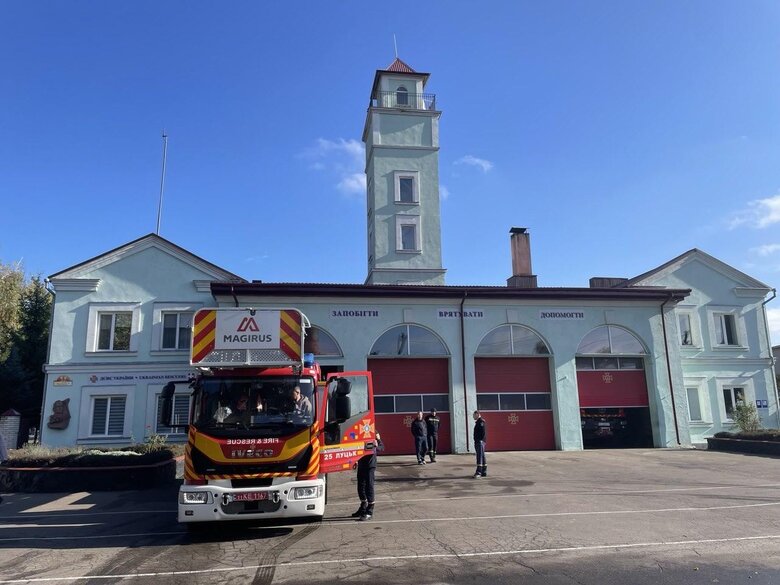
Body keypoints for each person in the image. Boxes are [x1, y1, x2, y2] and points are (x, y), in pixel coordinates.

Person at [352, 432, 384, 521]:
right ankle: (363, 507)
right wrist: (356, 460)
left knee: (369, 486)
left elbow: (382, 448)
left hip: (370, 465)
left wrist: (378, 442)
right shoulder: (360, 433)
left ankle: (370, 510)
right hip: (362, 464)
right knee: (360, 486)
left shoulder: (374, 432)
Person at [473, 410, 487, 478]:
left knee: (479, 457)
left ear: (477, 414)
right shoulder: (478, 422)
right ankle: (484, 471)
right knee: (482, 456)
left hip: (480, 442)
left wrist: (480, 440)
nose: (473, 417)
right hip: (479, 442)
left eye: (474, 415)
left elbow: (483, 432)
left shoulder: (481, 422)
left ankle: (479, 472)